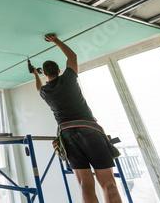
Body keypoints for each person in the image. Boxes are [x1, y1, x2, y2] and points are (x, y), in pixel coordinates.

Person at [31, 33, 122, 203]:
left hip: (67, 136)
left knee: (84, 185)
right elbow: (72, 56)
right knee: (108, 183)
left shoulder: (45, 92)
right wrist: (55, 40)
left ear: (45, 74)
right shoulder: (69, 78)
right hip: (90, 131)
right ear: (59, 71)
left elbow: (38, 87)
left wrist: (35, 74)